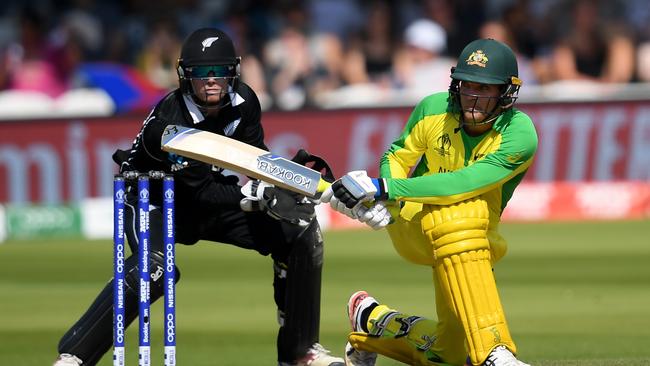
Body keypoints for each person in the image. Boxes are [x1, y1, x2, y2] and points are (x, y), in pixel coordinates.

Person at [53, 27, 344, 366]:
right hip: (152, 199)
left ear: (232, 71)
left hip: (204, 200)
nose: (211, 80)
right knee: (154, 269)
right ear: (184, 76)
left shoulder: (245, 102)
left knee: (299, 230)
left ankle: (300, 352)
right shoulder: (170, 120)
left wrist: (291, 188)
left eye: (218, 71)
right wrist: (254, 195)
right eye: (201, 73)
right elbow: (201, 189)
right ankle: (74, 356)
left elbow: (255, 161)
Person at [321, 38, 537, 366]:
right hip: (418, 223)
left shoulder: (519, 135)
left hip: (474, 238)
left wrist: (384, 188)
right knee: (463, 214)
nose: (473, 97)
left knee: (447, 355)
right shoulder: (434, 108)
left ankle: (373, 322)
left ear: (506, 93)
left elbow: (465, 183)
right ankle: (494, 351)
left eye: (486, 88)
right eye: (467, 86)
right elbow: (397, 154)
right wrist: (394, 206)